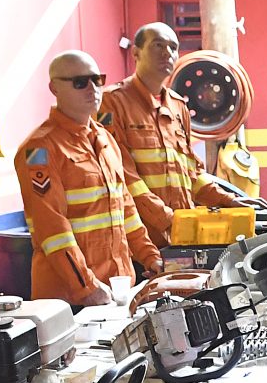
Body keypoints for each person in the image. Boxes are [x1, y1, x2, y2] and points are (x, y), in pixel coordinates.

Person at [15, 50, 162, 307]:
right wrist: (86, 286)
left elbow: (126, 209)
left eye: (97, 80)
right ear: (54, 88)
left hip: (117, 288)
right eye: (80, 82)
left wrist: (150, 257)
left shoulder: (105, 140)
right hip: (68, 298)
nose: (92, 89)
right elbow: (53, 229)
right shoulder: (40, 149)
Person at [98, 23, 243, 246]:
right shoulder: (112, 103)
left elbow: (191, 172)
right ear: (136, 52)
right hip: (139, 239)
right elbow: (123, 177)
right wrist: (166, 219)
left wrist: (230, 201)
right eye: (158, 45)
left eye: (173, 47)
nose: (167, 53)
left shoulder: (178, 107)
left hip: (181, 233)